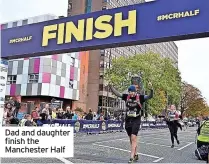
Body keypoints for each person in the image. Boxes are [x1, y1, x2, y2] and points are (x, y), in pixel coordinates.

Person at [123, 83, 153, 163]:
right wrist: (111, 86)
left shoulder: (140, 97)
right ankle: (136, 154)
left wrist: (151, 90)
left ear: (135, 91)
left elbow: (150, 96)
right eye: (129, 92)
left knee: (133, 137)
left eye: (132, 91)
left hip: (136, 120)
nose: (131, 93)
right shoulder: (127, 97)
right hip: (128, 120)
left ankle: (131, 157)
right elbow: (117, 93)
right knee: (132, 139)